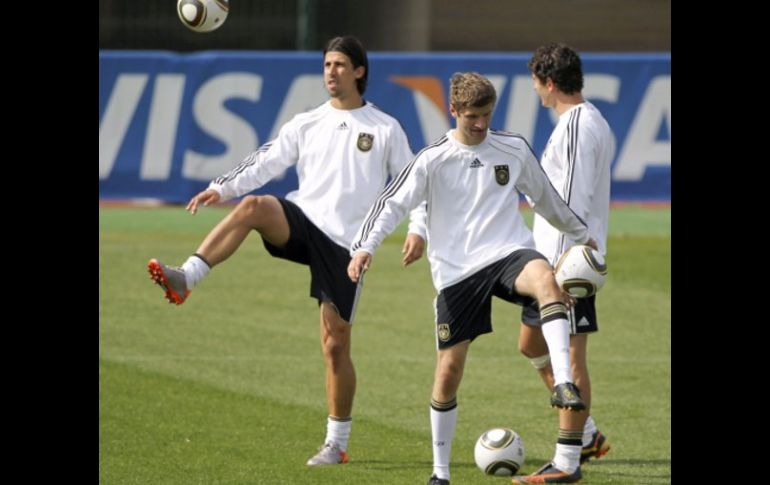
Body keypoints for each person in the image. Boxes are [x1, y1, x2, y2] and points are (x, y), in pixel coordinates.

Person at [146, 35, 427, 466]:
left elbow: (412, 186)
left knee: (335, 346)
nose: (331, 72)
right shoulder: (306, 122)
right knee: (255, 206)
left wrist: (419, 229)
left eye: (339, 64)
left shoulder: (384, 128)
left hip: (346, 245)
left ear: (359, 71)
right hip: (301, 220)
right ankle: (188, 276)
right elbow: (265, 161)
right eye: (327, 64)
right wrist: (221, 187)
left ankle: (336, 443)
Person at [347, 72, 595, 485]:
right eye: (473, 116)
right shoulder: (433, 158)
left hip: (509, 251)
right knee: (448, 372)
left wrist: (583, 235)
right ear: (454, 111)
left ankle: (564, 384)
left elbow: (548, 199)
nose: (480, 124)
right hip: (458, 271)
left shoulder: (512, 148)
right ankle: (440, 472)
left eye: (486, 115)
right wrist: (364, 246)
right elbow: (391, 204)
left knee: (547, 281)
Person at [512, 43, 615, 484]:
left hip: (567, 265)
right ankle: (587, 435)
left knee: (570, 358)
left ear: (549, 82)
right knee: (532, 345)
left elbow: (570, 201)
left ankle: (567, 461)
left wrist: (556, 270)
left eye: (537, 82)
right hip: (556, 259)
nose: (536, 90)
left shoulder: (576, 125)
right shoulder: (585, 122)